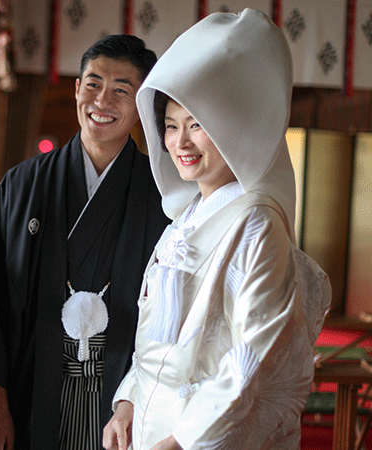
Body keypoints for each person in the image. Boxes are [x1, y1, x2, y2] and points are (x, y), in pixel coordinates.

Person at [103, 9, 331, 450]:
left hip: (200, 436)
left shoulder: (256, 223)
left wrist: (181, 440)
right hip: (148, 428)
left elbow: (256, 359)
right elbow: (154, 340)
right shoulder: (183, 218)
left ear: (233, 129)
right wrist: (127, 403)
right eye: (170, 126)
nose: (180, 143)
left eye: (197, 125)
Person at [0, 35, 170, 450]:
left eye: (121, 90)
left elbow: (173, 310)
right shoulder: (23, 184)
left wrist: (135, 402)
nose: (102, 101)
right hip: (27, 387)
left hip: (122, 395)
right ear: (76, 88)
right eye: (93, 84)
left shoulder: (163, 194)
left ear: (142, 105)